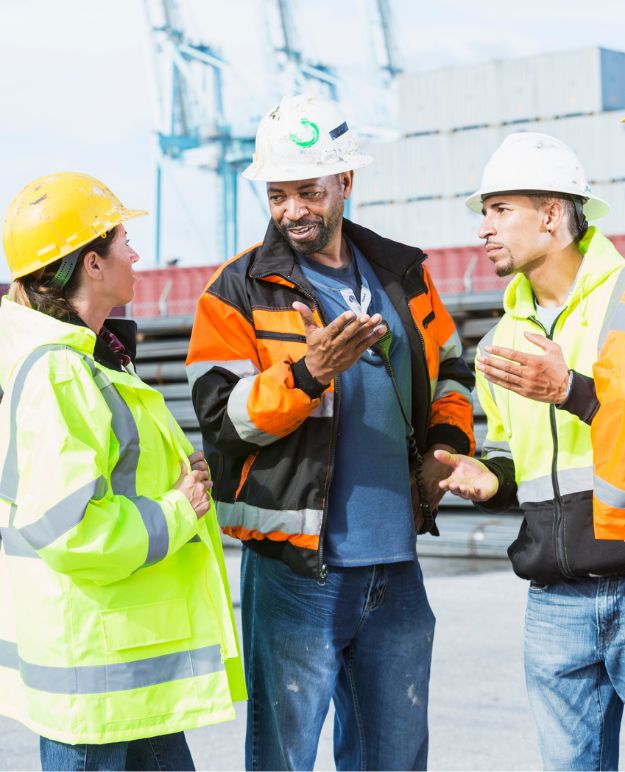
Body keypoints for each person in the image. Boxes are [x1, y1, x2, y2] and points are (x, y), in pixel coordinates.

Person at [186, 93, 475, 771]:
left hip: (394, 565)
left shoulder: (403, 275)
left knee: (394, 758)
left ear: (345, 182)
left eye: (308, 191)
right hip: (295, 571)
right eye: (277, 193)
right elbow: (222, 423)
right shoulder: (235, 291)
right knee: (283, 759)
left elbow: (451, 370)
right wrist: (308, 373)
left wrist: (447, 447)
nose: (292, 210)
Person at [0, 172, 245, 771]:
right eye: (124, 240)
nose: (136, 254)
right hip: (97, 677)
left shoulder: (89, 359)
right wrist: (178, 508)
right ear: (91, 264)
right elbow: (67, 527)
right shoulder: (61, 372)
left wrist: (176, 477)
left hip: (123, 669)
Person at [435, 132, 625, 771]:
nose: (483, 230)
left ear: (551, 214)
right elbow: (517, 454)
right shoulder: (499, 341)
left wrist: (570, 389)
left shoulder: (624, 302)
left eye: (499, 210)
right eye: (483, 213)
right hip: (553, 599)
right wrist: (490, 477)